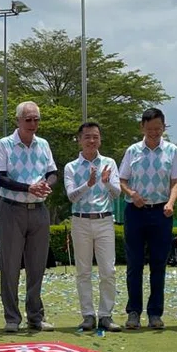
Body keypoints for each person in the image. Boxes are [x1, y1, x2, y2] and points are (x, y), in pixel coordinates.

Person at [0, 101, 58, 332]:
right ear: (18, 121)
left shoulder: (43, 144)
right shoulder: (5, 145)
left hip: (39, 210)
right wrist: (28, 187)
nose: (33, 124)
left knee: (37, 266)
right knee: (10, 266)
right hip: (12, 208)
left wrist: (45, 184)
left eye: (36, 120)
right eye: (28, 119)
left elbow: (52, 173)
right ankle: (12, 318)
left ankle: (35, 316)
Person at [118, 108, 177, 329]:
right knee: (134, 264)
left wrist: (171, 203)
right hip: (135, 212)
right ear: (142, 128)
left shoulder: (172, 151)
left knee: (158, 264)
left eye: (158, 128)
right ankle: (133, 312)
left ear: (164, 127)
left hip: (161, 212)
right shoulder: (133, 151)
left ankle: (155, 313)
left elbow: (176, 181)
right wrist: (132, 194)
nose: (154, 133)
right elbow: (122, 180)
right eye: (150, 129)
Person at [63, 121, 122, 332]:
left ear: (100, 139)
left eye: (95, 136)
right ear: (79, 140)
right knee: (83, 271)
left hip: (104, 219)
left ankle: (106, 315)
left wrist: (105, 182)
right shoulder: (71, 167)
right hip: (80, 220)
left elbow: (116, 194)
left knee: (108, 270)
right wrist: (88, 184)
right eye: (87, 137)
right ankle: (88, 315)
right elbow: (71, 196)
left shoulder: (109, 163)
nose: (91, 140)